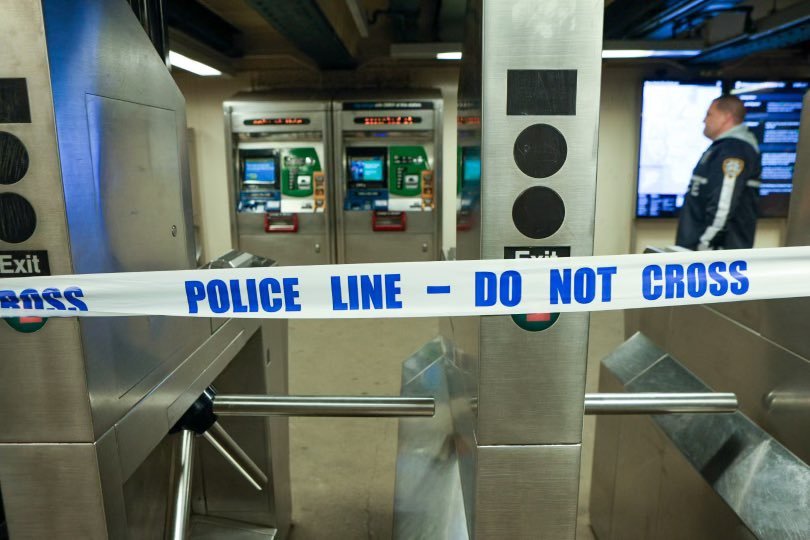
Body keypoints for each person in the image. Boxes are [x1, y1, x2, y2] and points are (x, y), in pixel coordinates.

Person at [676, 95, 761, 250]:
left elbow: (724, 202)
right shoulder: (722, 147)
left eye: (709, 114)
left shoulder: (734, 150)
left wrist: (705, 245)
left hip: (717, 256)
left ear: (725, 118)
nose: (704, 120)